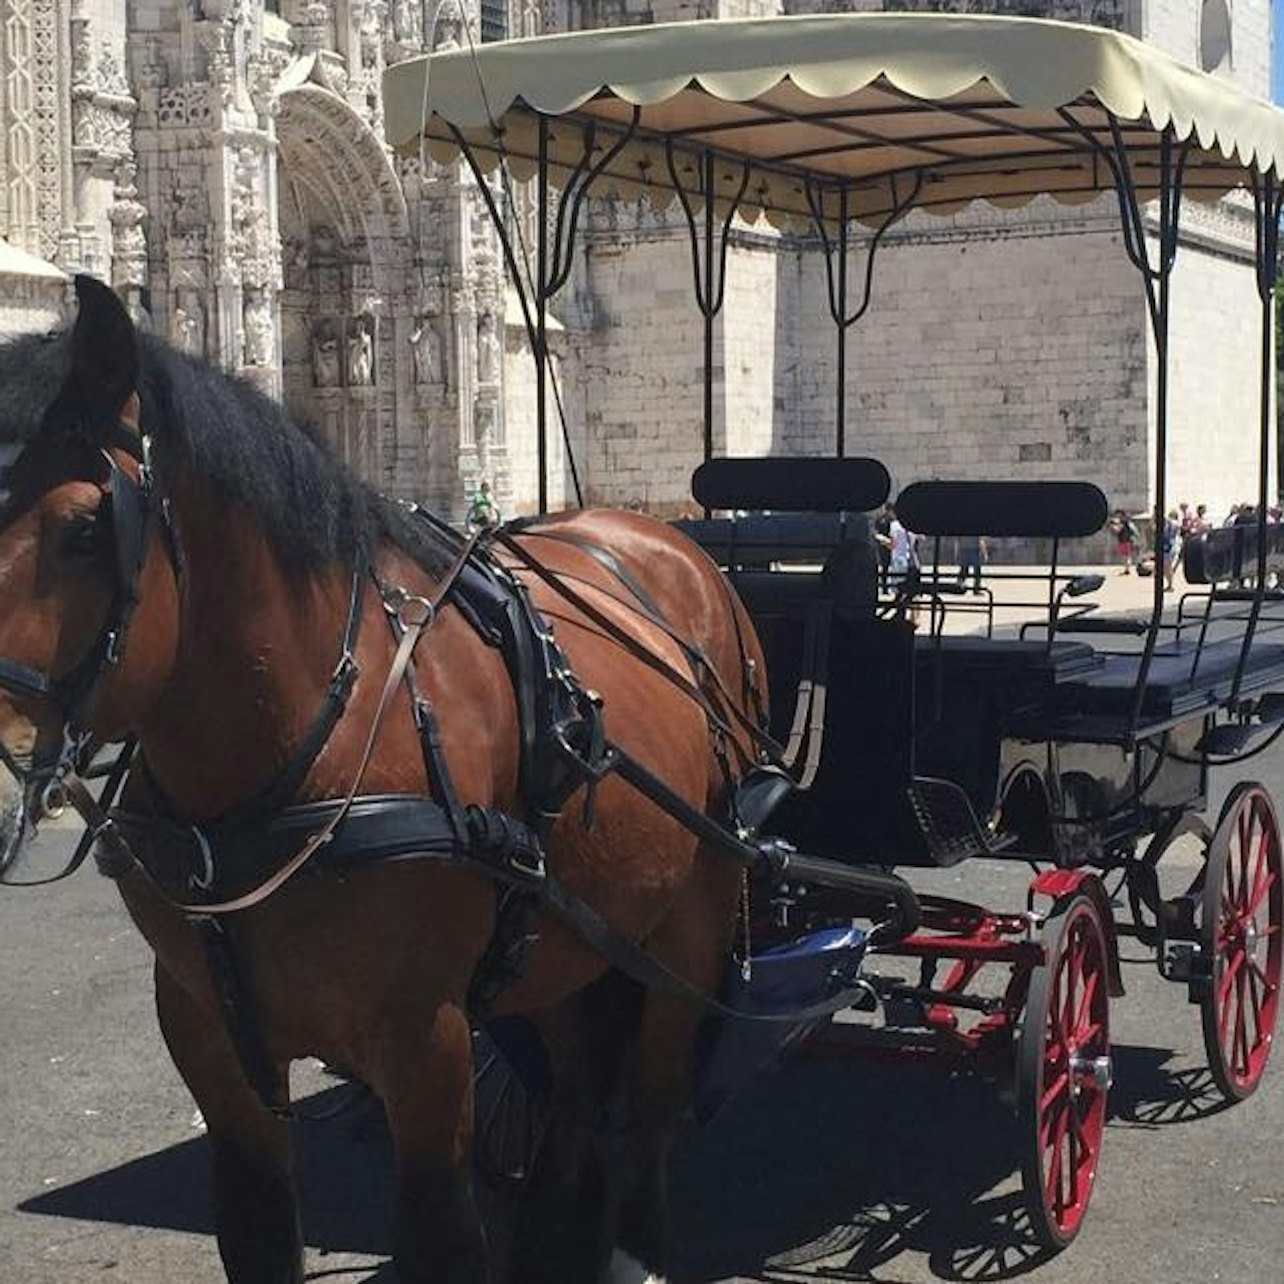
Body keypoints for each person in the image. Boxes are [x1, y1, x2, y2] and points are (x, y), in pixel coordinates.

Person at [1109, 509, 1138, 574]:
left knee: (1126, 556)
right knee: (1127, 556)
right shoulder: (1127, 522)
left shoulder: (1123, 522)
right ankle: (1127, 568)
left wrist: (1114, 527)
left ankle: (1127, 569)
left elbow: (1118, 530)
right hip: (1127, 540)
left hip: (1125, 540)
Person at [1161, 508, 1181, 592]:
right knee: (1167, 567)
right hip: (1174, 546)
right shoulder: (1177, 524)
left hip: (1169, 546)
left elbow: (1167, 534)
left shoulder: (1171, 523)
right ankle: (1169, 584)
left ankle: (1170, 585)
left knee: (1167, 567)